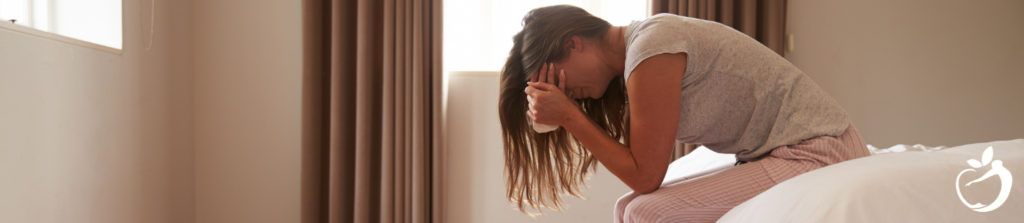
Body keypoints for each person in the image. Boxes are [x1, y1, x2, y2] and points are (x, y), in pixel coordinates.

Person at [497, 5, 870, 222]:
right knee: (627, 209)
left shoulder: (651, 49)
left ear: (573, 43)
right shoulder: (635, 63)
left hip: (818, 150)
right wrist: (561, 116)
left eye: (555, 79)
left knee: (643, 213)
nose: (563, 93)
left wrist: (571, 117)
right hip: (794, 148)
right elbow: (638, 176)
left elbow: (645, 177)